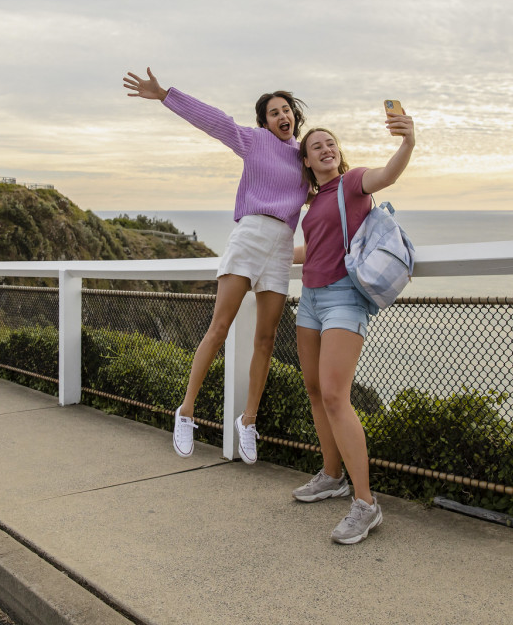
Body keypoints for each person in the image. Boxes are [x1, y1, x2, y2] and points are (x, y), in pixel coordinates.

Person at [123, 67, 309, 463]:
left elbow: (333, 184)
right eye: (274, 112)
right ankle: (186, 411)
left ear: (295, 115)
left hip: (280, 248)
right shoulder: (255, 141)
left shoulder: (304, 159)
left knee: (266, 339)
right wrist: (165, 95)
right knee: (219, 326)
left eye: (286, 110)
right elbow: (214, 121)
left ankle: (249, 421)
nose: (282, 116)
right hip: (250, 236)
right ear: (264, 121)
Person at [290, 109, 415, 544]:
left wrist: (408, 142)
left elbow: (389, 175)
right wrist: (272, 256)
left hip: (344, 297)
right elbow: (319, 247)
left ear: (338, 153)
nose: (325, 149)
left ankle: (366, 504)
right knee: (313, 390)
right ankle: (331, 475)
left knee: (334, 395)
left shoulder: (352, 182)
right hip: (309, 298)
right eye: (315, 146)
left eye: (330, 144)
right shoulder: (315, 200)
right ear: (305, 160)